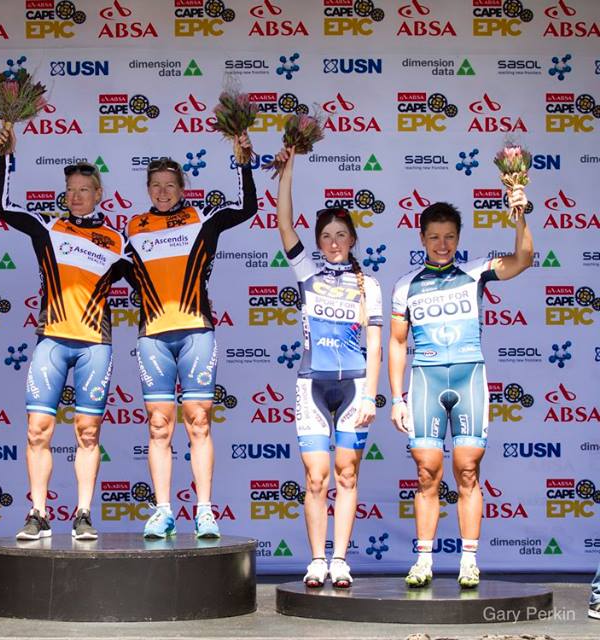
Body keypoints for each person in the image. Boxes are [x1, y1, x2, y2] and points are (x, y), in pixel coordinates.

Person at [0, 130, 129, 540]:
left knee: (88, 432)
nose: (76, 196)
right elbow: (1, 206)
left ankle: (83, 513)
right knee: (37, 430)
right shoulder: (48, 229)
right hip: (51, 338)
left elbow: (157, 276)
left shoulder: (118, 241)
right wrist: (5, 158)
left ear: (99, 194)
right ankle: (38, 513)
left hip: (95, 344)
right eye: (70, 190)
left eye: (84, 190)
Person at [389, 196, 532, 589]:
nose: (442, 244)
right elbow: (397, 343)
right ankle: (423, 560)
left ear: (458, 238)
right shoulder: (406, 285)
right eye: (435, 237)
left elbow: (523, 259)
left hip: (469, 379)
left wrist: (521, 216)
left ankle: (469, 561)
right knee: (426, 473)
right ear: (422, 238)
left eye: (449, 237)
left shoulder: (474, 273)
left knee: (468, 470)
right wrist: (397, 398)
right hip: (426, 380)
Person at [126, 136, 255, 539]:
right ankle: (163, 511)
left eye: (170, 185)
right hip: (153, 335)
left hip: (196, 331)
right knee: (158, 426)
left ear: (182, 189)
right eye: (156, 186)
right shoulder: (132, 228)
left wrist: (243, 163)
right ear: (148, 190)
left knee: (198, 422)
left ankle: (204, 512)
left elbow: (247, 207)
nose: (163, 192)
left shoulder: (201, 219)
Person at [274, 148, 382, 588]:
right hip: (311, 386)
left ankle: (340, 560)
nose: (334, 243)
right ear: (318, 243)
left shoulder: (369, 285)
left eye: (341, 235)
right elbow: (285, 224)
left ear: (352, 239)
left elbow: (375, 344)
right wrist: (288, 169)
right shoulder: (307, 273)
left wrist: (372, 395)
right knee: (316, 479)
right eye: (326, 236)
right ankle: (317, 559)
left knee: (347, 475)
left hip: (355, 387)